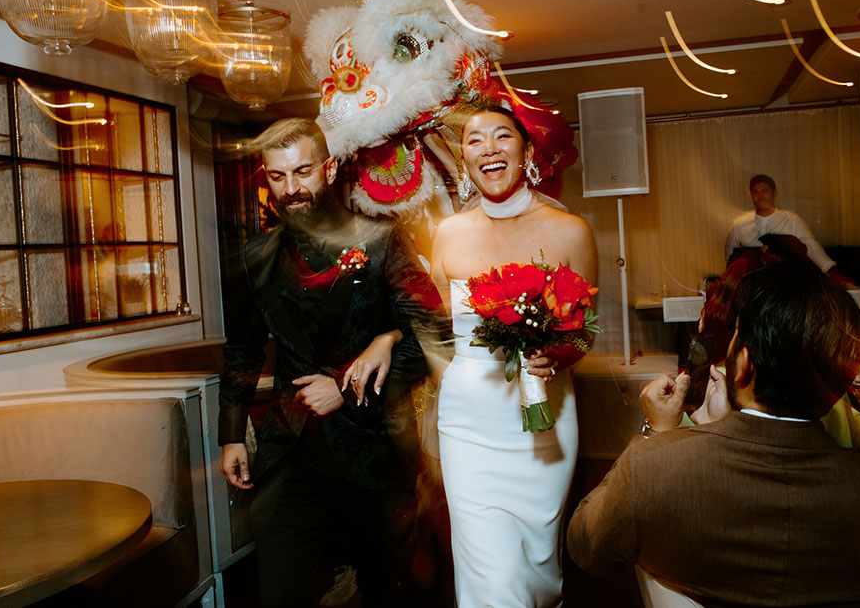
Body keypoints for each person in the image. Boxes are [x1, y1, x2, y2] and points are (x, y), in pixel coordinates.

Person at [567, 260, 860, 607]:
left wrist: (656, 433)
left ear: (743, 364)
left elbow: (586, 545)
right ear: (840, 380)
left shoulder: (655, 470)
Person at [217, 118, 441, 608]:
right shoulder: (257, 255)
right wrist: (232, 431)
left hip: (374, 447)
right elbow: (242, 349)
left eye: (302, 172)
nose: (292, 189)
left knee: (388, 590)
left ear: (329, 167)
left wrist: (345, 386)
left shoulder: (383, 239)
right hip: (291, 449)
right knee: (280, 589)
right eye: (278, 177)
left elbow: (432, 334)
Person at [430, 106, 598, 607]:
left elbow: (584, 335)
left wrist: (556, 358)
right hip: (468, 422)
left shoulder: (571, 231)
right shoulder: (448, 234)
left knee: (537, 562)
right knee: (492, 575)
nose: (489, 148)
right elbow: (435, 327)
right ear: (464, 159)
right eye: (475, 141)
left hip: (543, 421)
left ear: (526, 152)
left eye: (502, 136)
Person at [725, 174, 840, 275]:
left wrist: (829, 269)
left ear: (774, 193)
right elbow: (731, 255)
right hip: (752, 285)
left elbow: (811, 246)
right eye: (756, 192)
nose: (760, 196)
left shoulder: (792, 220)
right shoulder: (739, 224)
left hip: (787, 282)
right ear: (751, 196)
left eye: (764, 191)